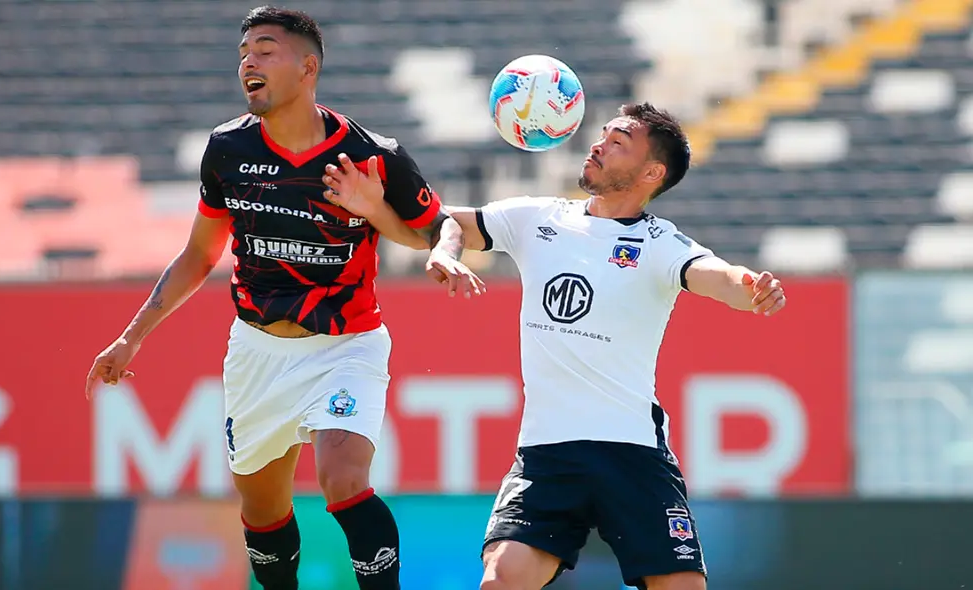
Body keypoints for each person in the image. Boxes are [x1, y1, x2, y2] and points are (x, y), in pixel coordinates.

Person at [85, 6, 484, 590]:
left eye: (265, 50)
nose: (249, 61)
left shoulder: (371, 154)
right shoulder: (227, 149)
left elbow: (439, 225)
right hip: (257, 352)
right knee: (263, 509)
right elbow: (198, 256)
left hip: (347, 345)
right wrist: (131, 337)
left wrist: (431, 245)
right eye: (244, 52)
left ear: (307, 67)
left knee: (343, 481)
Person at [322, 101, 788, 590]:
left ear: (652, 172)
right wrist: (382, 213)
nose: (598, 144)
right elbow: (441, 223)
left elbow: (718, 276)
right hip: (548, 455)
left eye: (618, 142)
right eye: (603, 135)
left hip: (632, 453)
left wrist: (750, 288)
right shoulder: (537, 217)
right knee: (501, 580)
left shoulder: (662, 244)